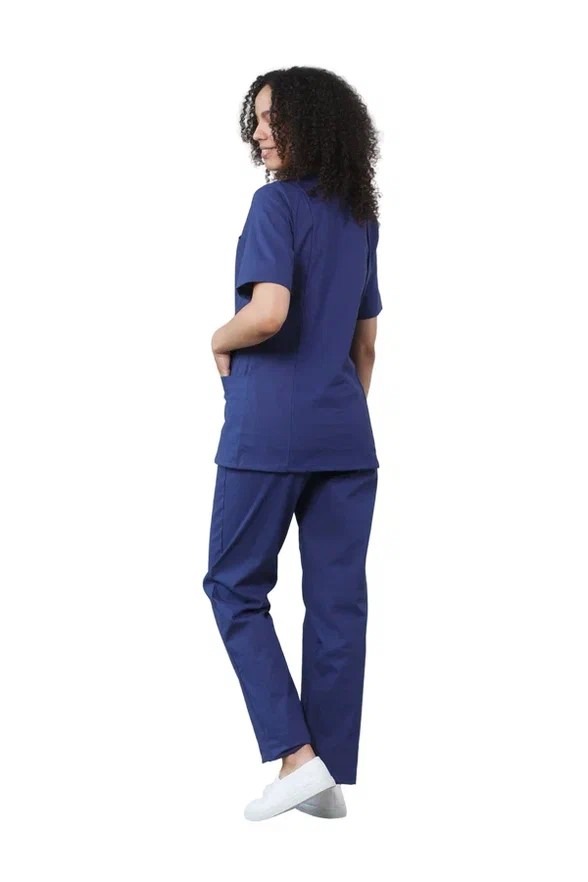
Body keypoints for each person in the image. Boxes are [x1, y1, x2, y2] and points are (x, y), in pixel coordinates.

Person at [202, 66, 383, 821]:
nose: (259, 132)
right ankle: (326, 778)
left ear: (312, 123)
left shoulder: (273, 205)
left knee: (234, 587)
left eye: (273, 117)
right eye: (256, 118)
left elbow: (268, 313)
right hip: (346, 437)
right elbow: (365, 345)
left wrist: (217, 338)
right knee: (338, 603)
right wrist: (332, 416)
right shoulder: (358, 218)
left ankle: (297, 758)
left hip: (267, 433)